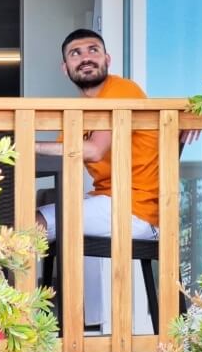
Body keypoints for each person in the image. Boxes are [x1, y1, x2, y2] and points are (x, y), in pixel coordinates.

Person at [35, 29, 159, 328]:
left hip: (136, 209)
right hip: (111, 203)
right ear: (66, 68)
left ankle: (17, 322)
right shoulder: (77, 115)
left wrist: (29, 143)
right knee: (33, 212)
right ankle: (71, 322)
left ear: (107, 59)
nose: (85, 57)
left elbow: (92, 150)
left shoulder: (122, 90)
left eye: (93, 50)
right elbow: (63, 158)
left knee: (31, 225)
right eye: (75, 53)